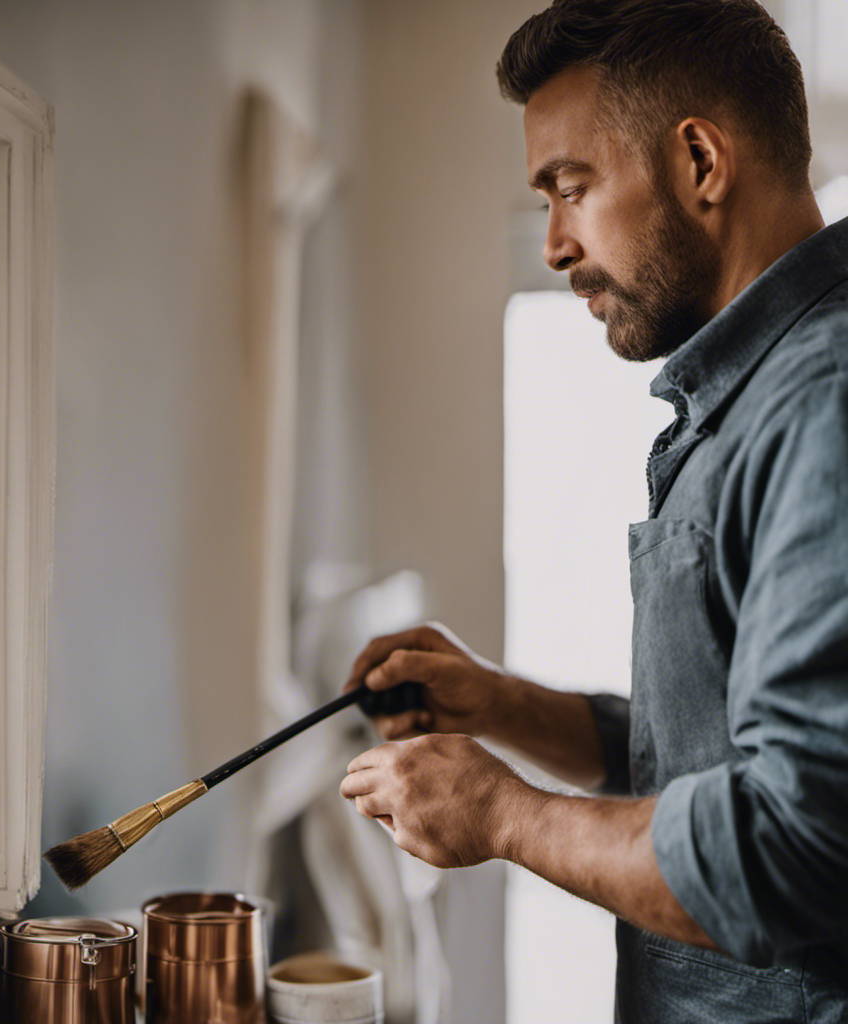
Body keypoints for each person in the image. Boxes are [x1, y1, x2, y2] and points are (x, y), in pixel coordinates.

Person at [339, 1, 848, 1021]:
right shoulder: (747, 398)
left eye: (570, 188)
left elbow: (797, 843)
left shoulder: (823, 401)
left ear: (700, 161)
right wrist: (503, 705)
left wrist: (503, 813)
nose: (553, 246)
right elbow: (714, 756)